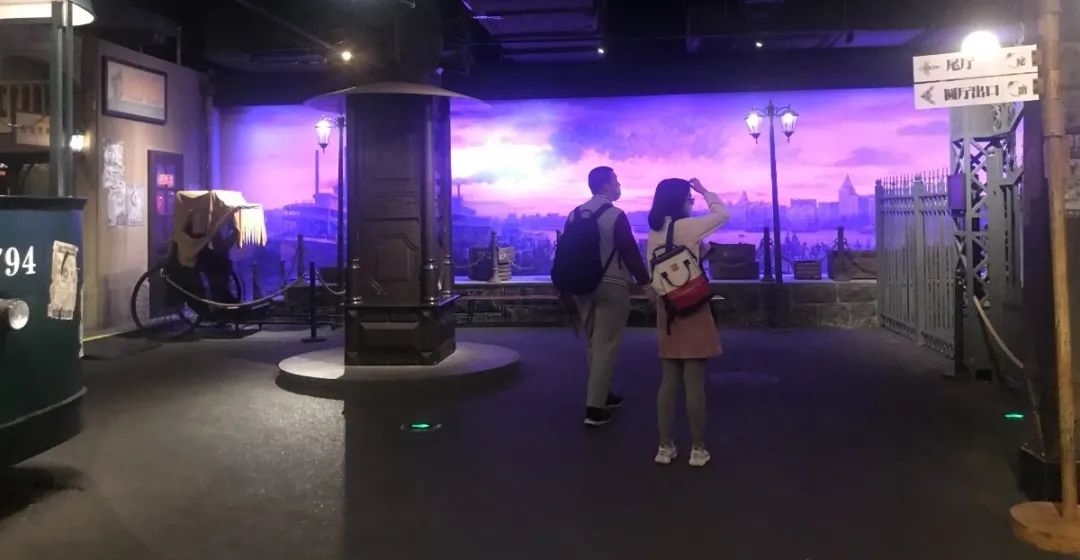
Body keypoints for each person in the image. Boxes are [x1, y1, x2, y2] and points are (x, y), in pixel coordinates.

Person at [646, 178, 729, 467]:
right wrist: (705, 191)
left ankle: (664, 447)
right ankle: (697, 449)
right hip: (692, 307)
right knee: (694, 382)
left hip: (668, 310)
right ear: (681, 200)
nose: (691, 204)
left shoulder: (654, 232)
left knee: (668, 380)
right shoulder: (688, 227)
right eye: (689, 200)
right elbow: (722, 214)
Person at [565, 166, 651, 427]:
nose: (619, 185)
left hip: (581, 286)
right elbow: (630, 253)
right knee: (606, 345)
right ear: (605, 186)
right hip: (611, 285)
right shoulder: (615, 215)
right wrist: (646, 284)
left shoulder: (574, 214)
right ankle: (594, 408)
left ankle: (604, 393)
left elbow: (566, 252)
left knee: (594, 343)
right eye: (616, 181)